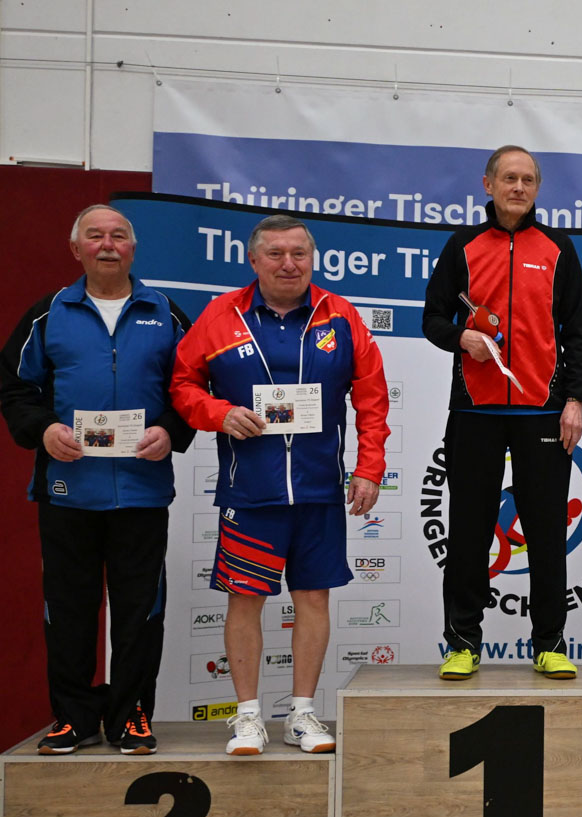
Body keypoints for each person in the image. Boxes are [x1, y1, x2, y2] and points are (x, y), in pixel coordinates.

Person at [171, 214, 389, 755]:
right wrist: (219, 413)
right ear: (253, 260)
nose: (289, 264)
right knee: (245, 600)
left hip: (318, 489)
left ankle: (302, 714)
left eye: (299, 253)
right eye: (275, 254)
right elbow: (182, 384)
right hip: (251, 489)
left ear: (312, 259)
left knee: (313, 598)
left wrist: (369, 468)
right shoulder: (221, 315)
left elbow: (372, 398)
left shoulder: (340, 315)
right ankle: (247, 717)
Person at [1, 204, 193, 755]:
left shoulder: (166, 313)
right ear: (76, 249)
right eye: (95, 236)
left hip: (141, 490)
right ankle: (73, 718)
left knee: (140, 612)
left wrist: (170, 429)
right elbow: (14, 387)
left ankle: (131, 715)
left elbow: (193, 386)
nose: (107, 244)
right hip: (68, 491)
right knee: (68, 610)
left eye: (118, 236)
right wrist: (43, 430)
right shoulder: (48, 314)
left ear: (133, 248)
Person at [422, 145, 582, 681]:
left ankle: (549, 642)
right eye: (509, 178)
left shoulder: (559, 248)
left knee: (547, 530)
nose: (518, 188)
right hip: (475, 409)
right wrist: (462, 337)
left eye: (528, 180)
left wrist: (574, 399)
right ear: (488, 184)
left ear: (537, 188)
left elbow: (578, 332)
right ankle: (462, 642)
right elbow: (432, 318)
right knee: (469, 528)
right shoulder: (463, 245)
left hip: (542, 409)